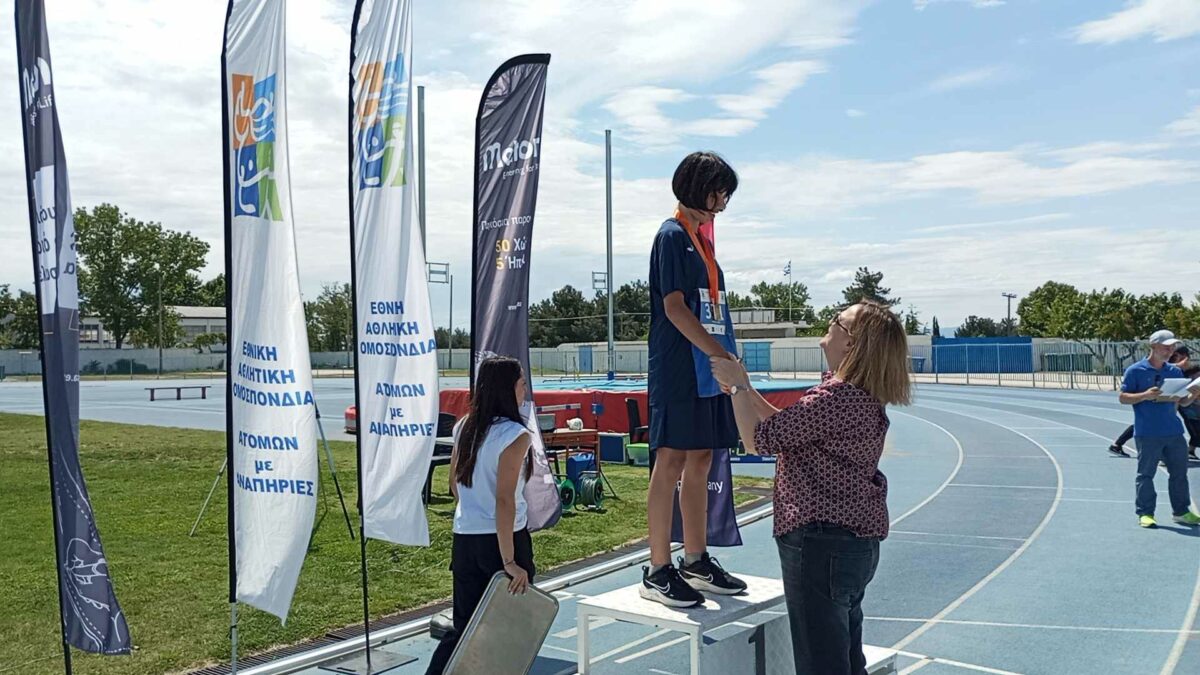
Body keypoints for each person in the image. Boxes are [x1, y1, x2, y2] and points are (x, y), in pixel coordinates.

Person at [711, 301, 911, 674]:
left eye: (838, 320)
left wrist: (737, 387)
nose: (829, 323)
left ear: (851, 343)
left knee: (822, 664)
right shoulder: (860, 394)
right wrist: (747, 388)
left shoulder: (834, 397)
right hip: (854, 543)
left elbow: (757, 441)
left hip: (820, 543)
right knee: (846, 657)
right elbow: (790, 429)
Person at [642, 151, 747, 608]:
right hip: (680, 367)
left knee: (702, 457)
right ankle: (657, 568)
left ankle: (696, 559)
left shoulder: (702, 243)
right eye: (718, 192)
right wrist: (717, 352)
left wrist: (726, 355)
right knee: (670, 460)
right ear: (697, 188)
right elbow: (674, 308)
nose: (722, 202)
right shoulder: (671, 236)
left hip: (708, 368)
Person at [425, 356, 537, 674]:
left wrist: (474, 508)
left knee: (464, 628)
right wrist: (509, 560)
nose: (525, 390)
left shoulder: (465, 426)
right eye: (522, 384)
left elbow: (454, 484)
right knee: (509, 628)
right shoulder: (516, 435)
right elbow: (504, 500)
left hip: (465, 539)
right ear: (508, 388)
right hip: (504, 540)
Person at [1118, 330, 1200, 529]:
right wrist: (1144, 395)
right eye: (1166, 347)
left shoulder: (1174, 372)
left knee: (1179, 474)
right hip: (1147, 432)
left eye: (1172, 347)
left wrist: (1194, 394)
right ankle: (1145, 513)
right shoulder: (1135, 371)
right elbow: (1123, 398)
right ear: (1153, 346)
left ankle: (1181, 512)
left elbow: (1182, 402)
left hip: (1174, 432)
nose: (1170, 350)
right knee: (1146, 475)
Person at [1109, 345, 1200, 458]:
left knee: (1187, 421)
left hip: (1176, 396)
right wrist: (1178, 365)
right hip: (1163, 396)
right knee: (1152, 421)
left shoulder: (1182, 366)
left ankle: (1190, 449)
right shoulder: (1166, 361)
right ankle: (1118, 443)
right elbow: (1161, 367)